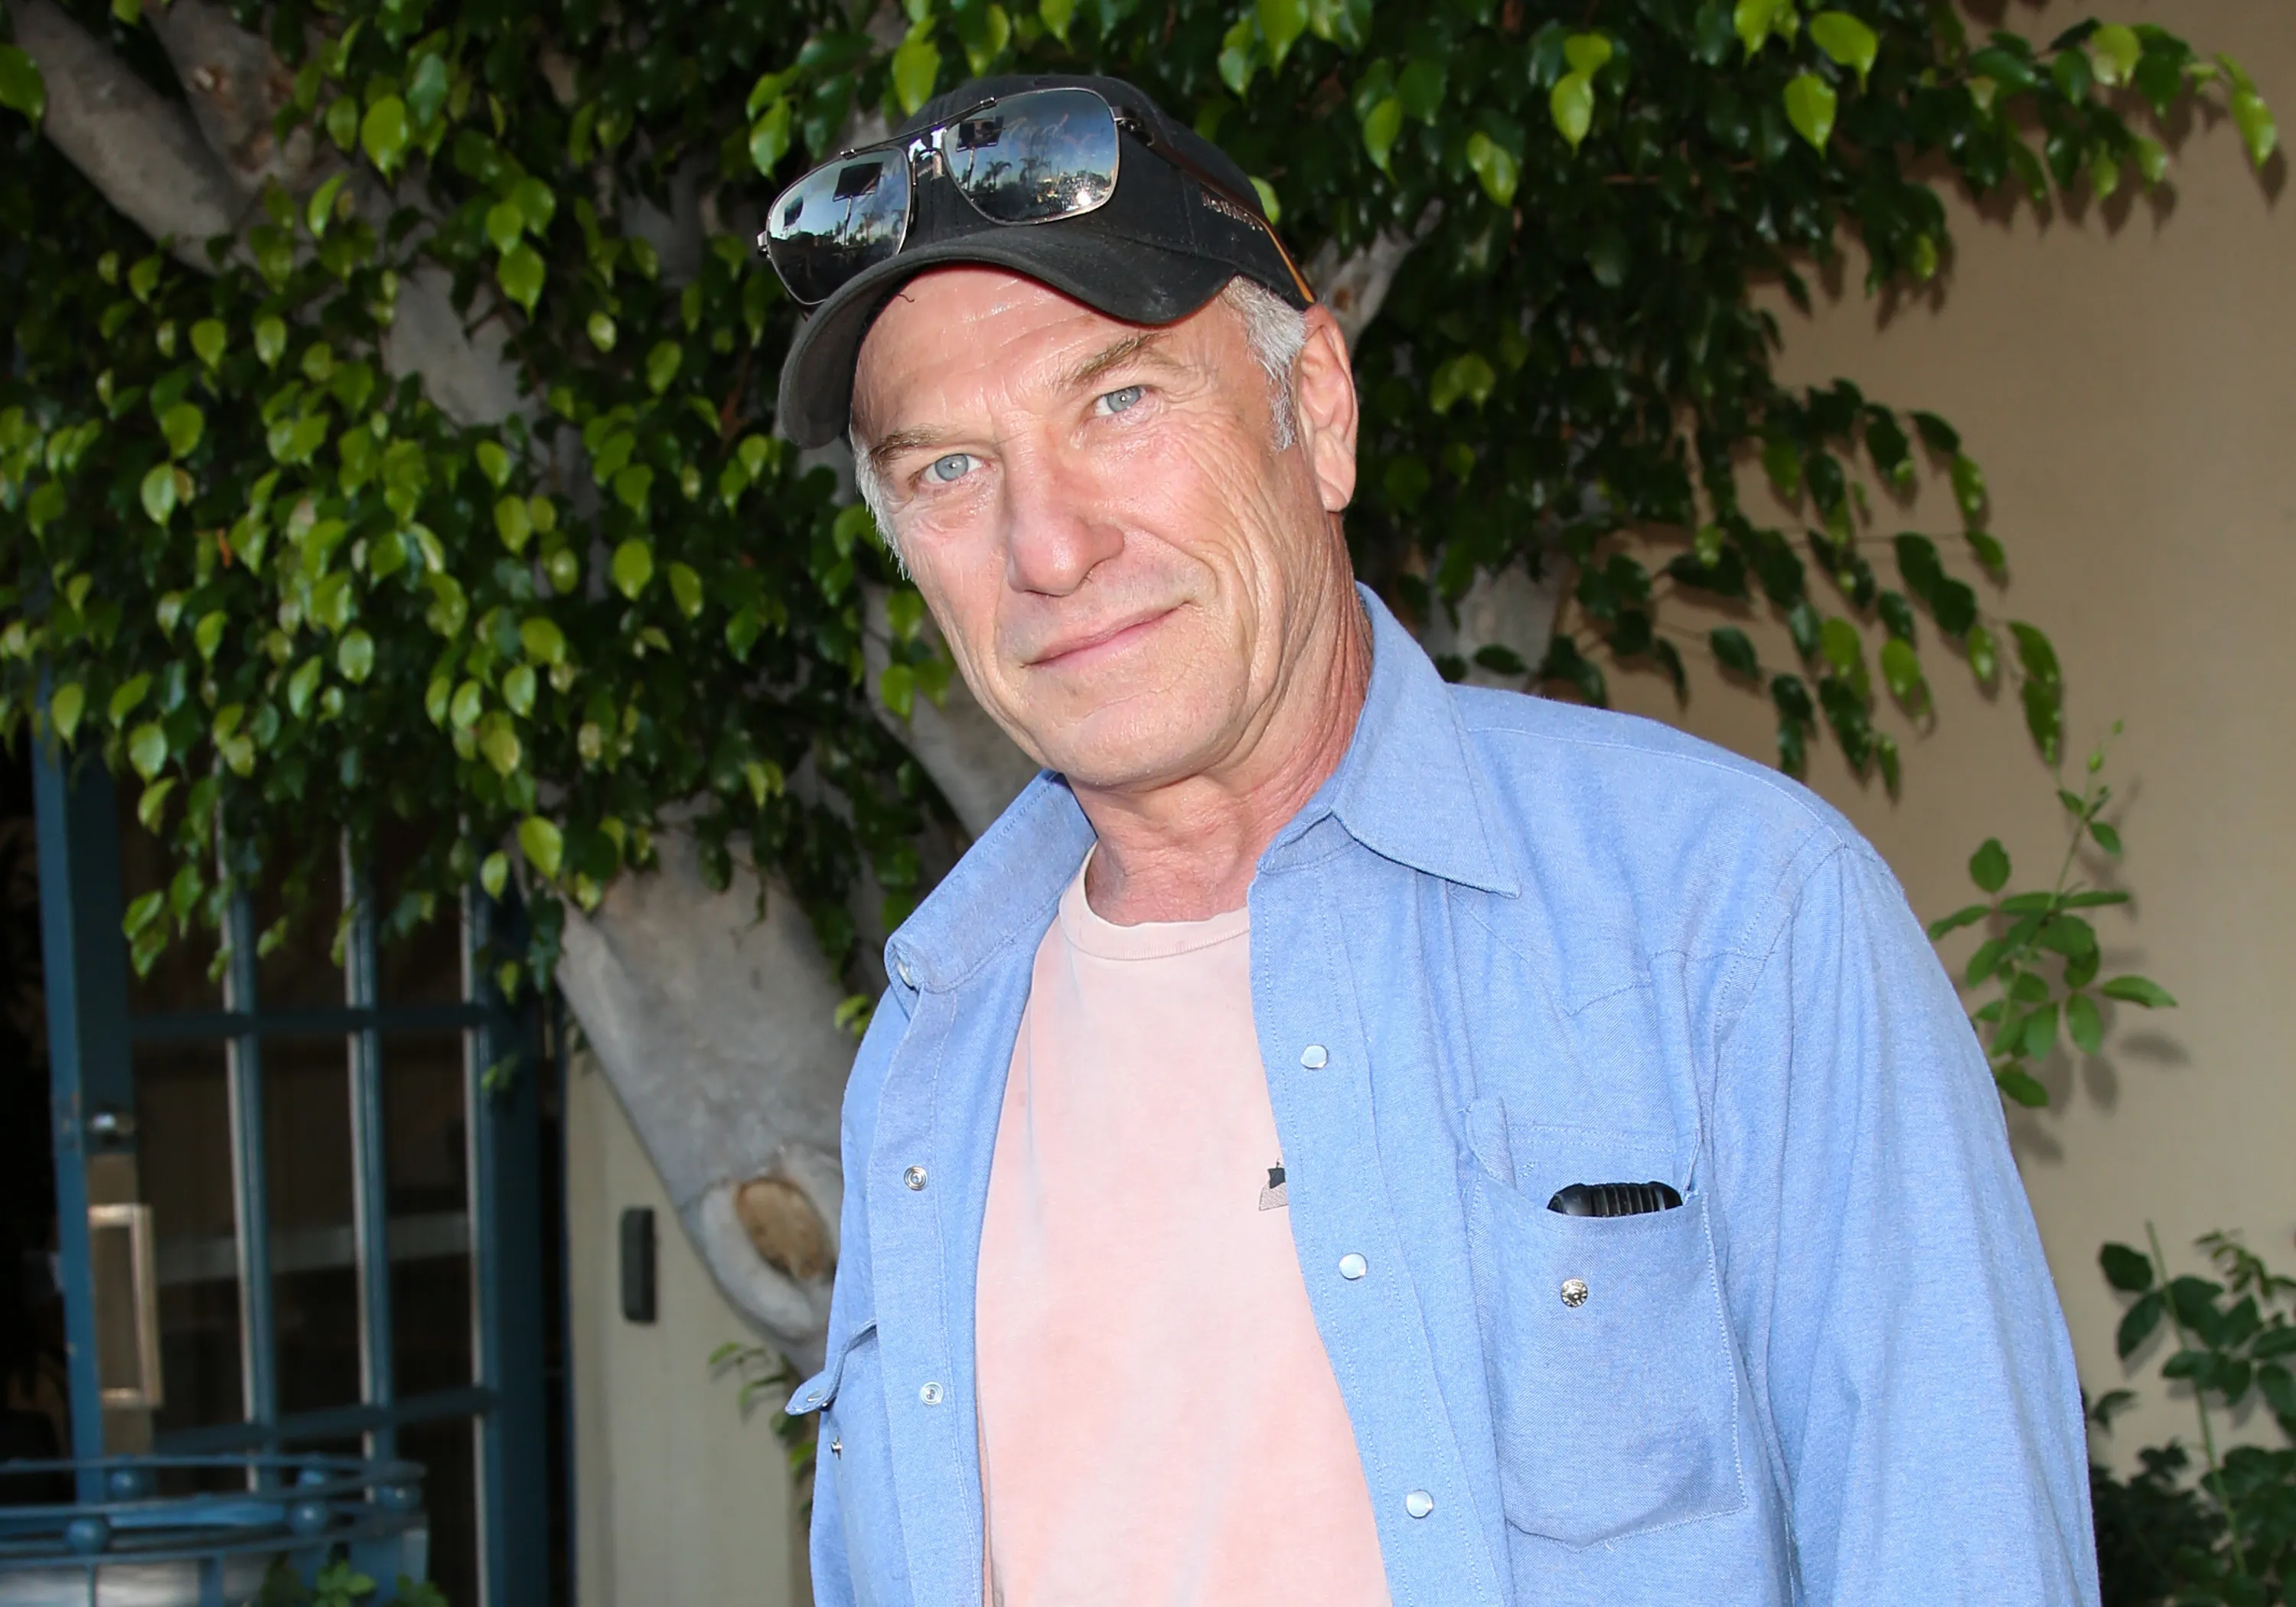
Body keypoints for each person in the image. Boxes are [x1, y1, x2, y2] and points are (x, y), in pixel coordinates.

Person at [762, 72, 2098, 1607]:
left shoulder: (1736, 922)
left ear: (1314, 411)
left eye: (1118, 402)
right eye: (948, 471)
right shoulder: (933, 1047)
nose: (1048, 547)